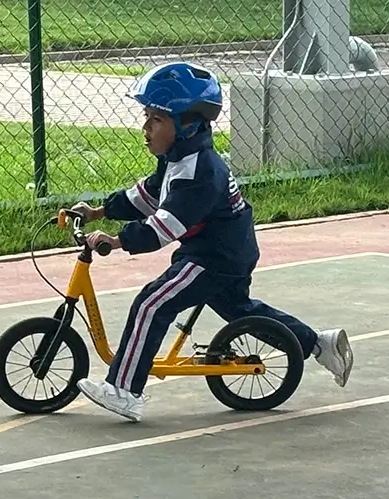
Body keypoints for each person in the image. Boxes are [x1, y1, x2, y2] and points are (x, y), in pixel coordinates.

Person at [69, 62, 353, 422]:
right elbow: (148, 195)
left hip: (214, 256)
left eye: (156, 119)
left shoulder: (202, 171)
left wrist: (117, 240)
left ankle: (125, 391)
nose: (145, 128)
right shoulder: (178, 158)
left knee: (152, 303)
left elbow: (163, 227)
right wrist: (99, 211)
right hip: (223, 249)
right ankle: (318, 344)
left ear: (187, 124)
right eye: (146, 116)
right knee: (240, 310)